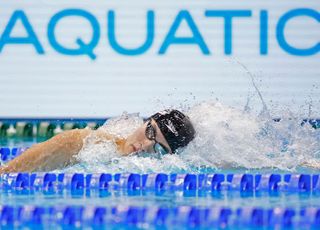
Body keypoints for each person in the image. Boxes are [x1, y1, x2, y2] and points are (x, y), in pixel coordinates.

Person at [0, 109, 195, 173]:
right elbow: (8, 174)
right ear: (146, 121)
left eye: (159, 148)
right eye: (150, 131)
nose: (144, 145)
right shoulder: (82, 143)